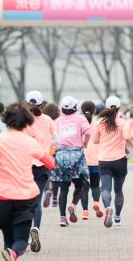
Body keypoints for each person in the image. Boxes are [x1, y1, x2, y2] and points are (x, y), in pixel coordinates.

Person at [0, 103, 55, 260]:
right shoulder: (30, 142)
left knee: (8, 239)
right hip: (24, 197)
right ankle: (13, 253)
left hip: (0, 197)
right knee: (21, 241)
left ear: (6, 120)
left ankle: (9, 251)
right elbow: (51, 164)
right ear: (27, 122)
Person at [92, 96, 133, 228]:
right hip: (120, 160)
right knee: (119, 191)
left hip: (104, 160)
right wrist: (132, 142)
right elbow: (127, 137)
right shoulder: (123, 122)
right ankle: (117, 218)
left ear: (106, 108)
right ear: (119, 108)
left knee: (105, 189)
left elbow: (94, 141)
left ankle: (107, 208)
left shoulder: (99, 123)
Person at [23, 91, 57, 253]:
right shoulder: (48, 120)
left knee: (23, 201)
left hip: (23, 165)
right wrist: (48, 150)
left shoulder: (21, 120)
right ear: (43, 105)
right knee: (37, 201)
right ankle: (36, 228)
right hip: (42, 164)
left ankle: (25, 235)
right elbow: (56, 141)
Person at [50, 96, 90, 227]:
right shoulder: (80, 118)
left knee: (63, 188)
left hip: (61, 155)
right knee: (82, 184)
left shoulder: (57, 121)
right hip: (76, 154)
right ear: (75, 107)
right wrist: (84, 143)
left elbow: (52, 139)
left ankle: (62, 217)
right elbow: (88, 132)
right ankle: (73, 205)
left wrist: (53, 152)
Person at [80, 100, 104, 219]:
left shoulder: (78, 123)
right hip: (96, 159)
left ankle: (85, 211)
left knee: (84, 186)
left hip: (82, 160)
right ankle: (96, 202)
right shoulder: (99, 123)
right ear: (95, 110)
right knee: (95, 184)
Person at [41, 102, 61, 208]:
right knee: (55, 175)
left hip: (47, 150)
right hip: (56, 150)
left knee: (46, 173)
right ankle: (54, 199)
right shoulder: (59, 122)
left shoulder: (44, 121)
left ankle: (47, 190)